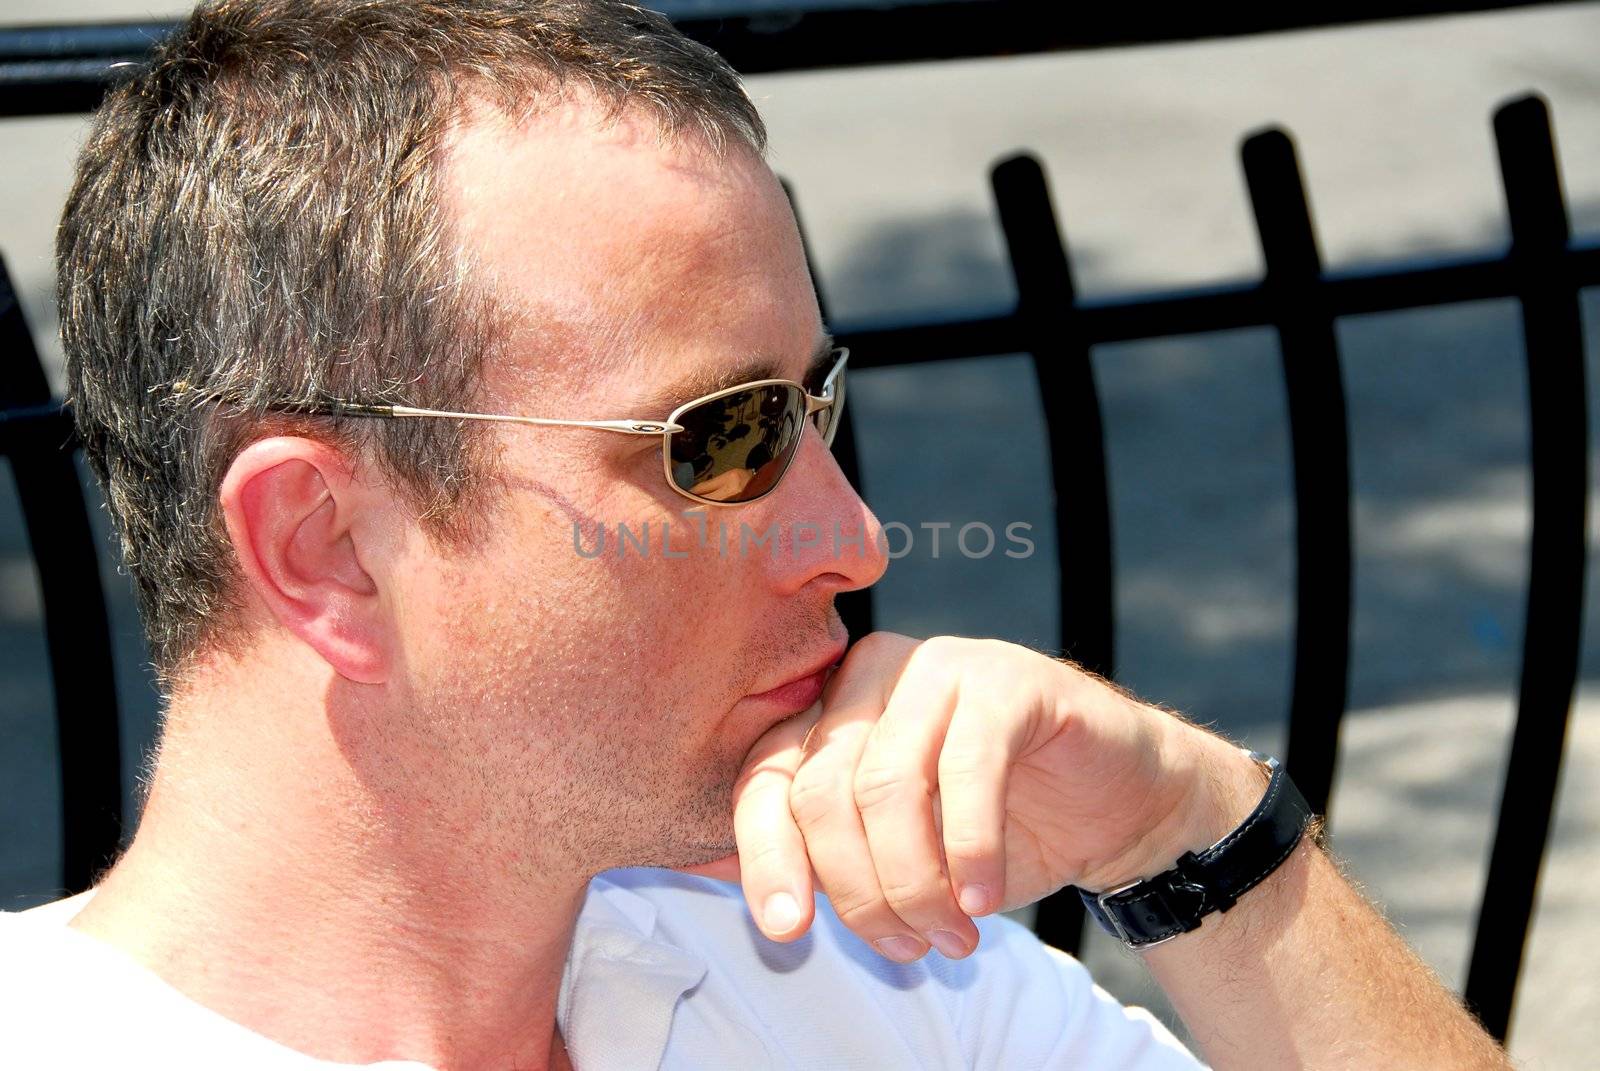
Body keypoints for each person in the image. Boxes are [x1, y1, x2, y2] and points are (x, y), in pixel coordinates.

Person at [0, 2, 1513, 1068]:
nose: (853, 539)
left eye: (815, 404)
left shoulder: (862, 977)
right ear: (326, 545)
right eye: (723, 437)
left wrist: (1182, 834)